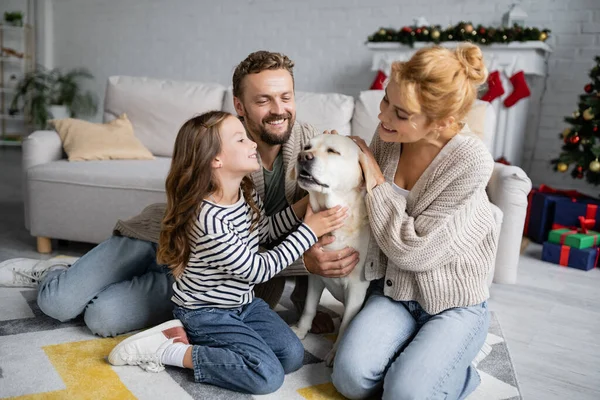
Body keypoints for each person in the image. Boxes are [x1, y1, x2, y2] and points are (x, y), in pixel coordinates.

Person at [0, 51, 358, 337]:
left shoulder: (313, 146)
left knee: (103, 318)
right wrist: (305, 259)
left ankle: (99, 281)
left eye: (286, 97)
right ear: (239, 105)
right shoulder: (218, 140)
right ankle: (58, 271)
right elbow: (292, 247)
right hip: (160, 238)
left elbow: (305, 222)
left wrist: (304, 300)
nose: (278, 110)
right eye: (263, 100)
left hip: (205, 280)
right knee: (58, 302)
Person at [107, 111, 348, 394]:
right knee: (267, 376)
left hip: (243, 304)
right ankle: (170, 349)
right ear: (215, 160)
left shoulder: (245, 194)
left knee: (291, 357)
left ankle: (211, 343)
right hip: (206, 312)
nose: (253, 144)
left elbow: (266, 232)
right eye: (241, 139)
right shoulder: (208, 219)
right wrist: (309, 230)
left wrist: (303, 207)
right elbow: (257, 270)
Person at [331, 44, 501, 400]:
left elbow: (412, 251)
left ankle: (455, 370)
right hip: (394, 293)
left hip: (453, 302)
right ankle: (418, 357)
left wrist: (375, 179)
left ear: (442, 123)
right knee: (348, 378)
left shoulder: (472, 161)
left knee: (404, 394)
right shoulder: (390, 136)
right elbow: (364, 205)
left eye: (401, 113)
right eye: (385, 101)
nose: (383, 117)